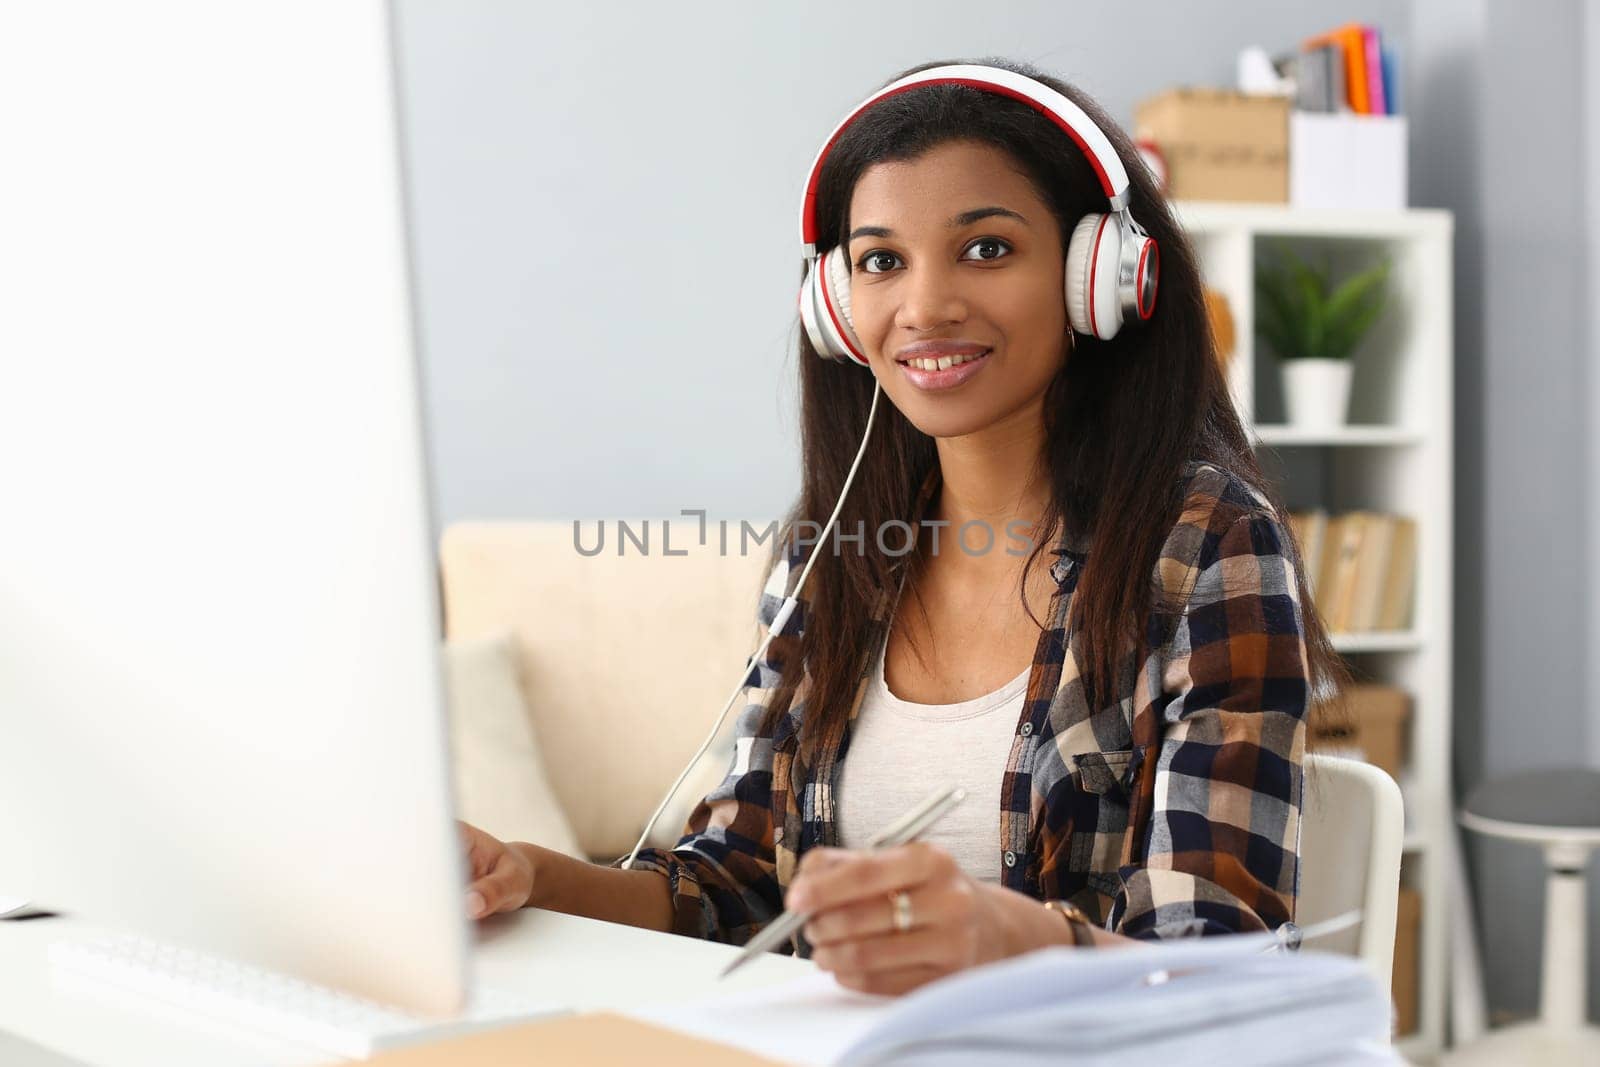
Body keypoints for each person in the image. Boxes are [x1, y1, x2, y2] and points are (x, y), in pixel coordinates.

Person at [457, 56, 1346, 997]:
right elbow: (736, 886)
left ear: (1102, 276)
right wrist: (533, 877)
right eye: (882, 260)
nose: (925, 307)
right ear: (837, 307)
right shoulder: (829, 556)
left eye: (987, 248)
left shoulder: (1205, 542)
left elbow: (1216, 964)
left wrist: (1009, 937)